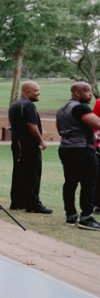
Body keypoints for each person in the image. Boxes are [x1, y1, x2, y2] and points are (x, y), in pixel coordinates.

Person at [56, 82, 100, 230]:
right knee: (88, 183)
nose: (90, 94)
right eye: (86, 91)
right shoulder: (80, 108)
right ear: (76, 93)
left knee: (70, 182)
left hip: (66, 148)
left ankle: (71, 215)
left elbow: (60, 129)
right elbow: (97, 123)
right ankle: (86, 217)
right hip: (82, 149)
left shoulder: (62, 109)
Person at [8, 81, 52, 213]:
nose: (39, 94)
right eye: (36, 91)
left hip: (17, 144)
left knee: (20, 172)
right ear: (27, 92)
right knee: (33, 173)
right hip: (28, 144)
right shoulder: (28, 105)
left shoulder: (15, 105)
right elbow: (31, 125)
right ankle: (33, 204)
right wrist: (41, 141)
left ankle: (17, 201)